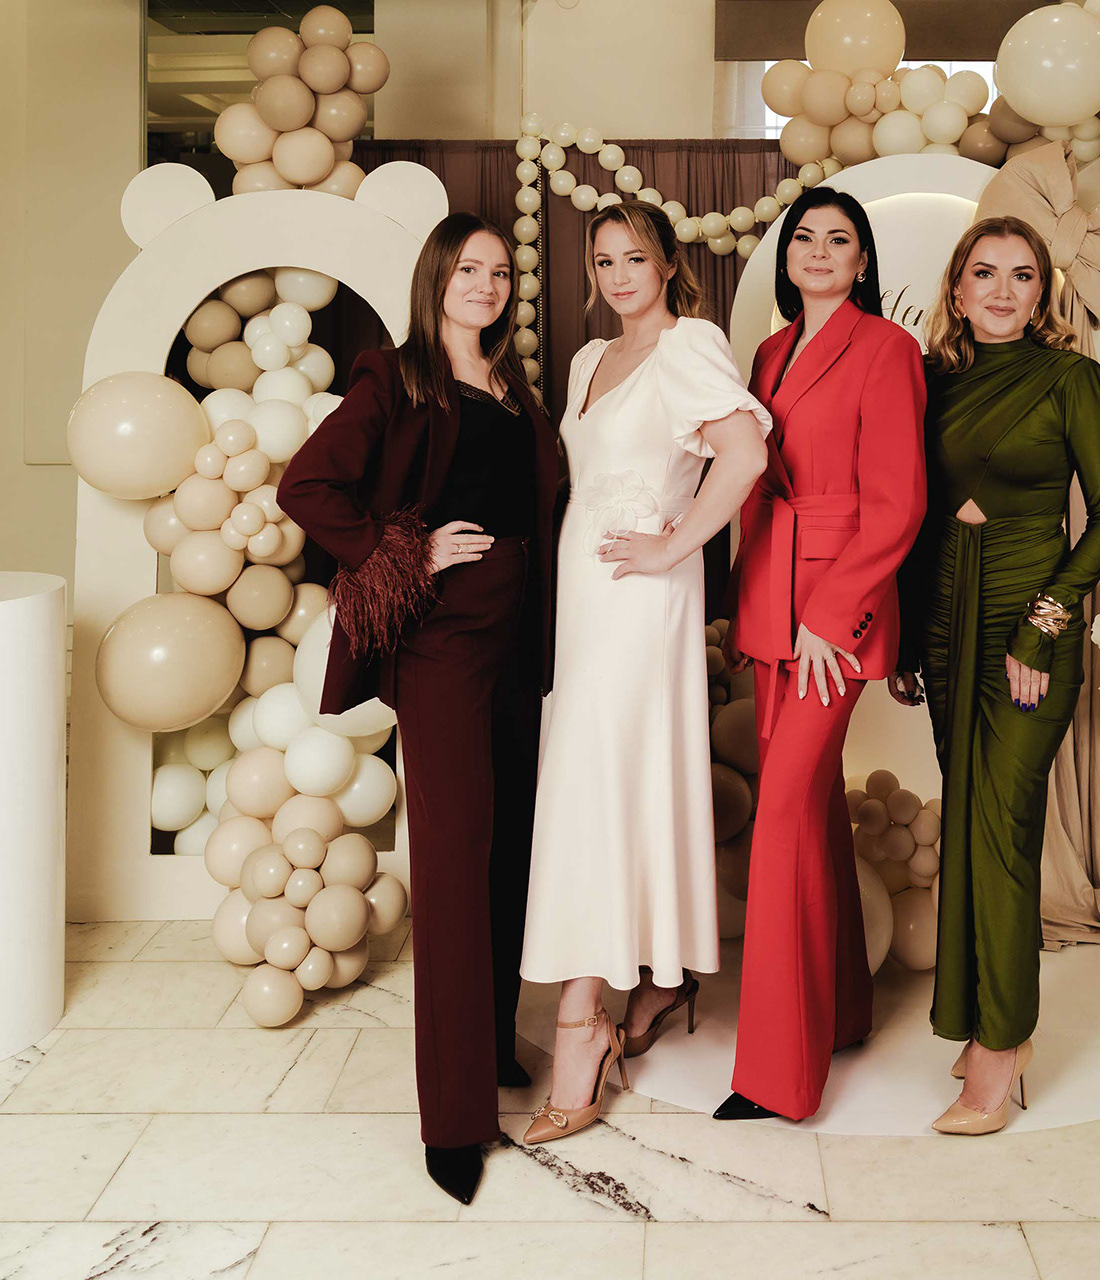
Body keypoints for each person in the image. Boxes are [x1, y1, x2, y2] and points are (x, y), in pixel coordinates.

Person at [277, 212, 567, 1205]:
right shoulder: (393, 377)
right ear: (435, 277)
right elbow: (307, 484)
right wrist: (406, 550)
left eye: (500, 273)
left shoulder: (512, 382)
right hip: (443, 644)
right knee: (450, 861)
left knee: (506, 846)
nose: (486, 285)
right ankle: (453, 1120)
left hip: (519, 639)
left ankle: (490, 1045)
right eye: (468, 269)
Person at [518, 203, 770, 1145]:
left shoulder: (688, 344)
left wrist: (674, 546)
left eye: (635, 257)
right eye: (604, 260)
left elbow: (746, 454)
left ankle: (582, 1021)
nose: (620, 274)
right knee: (600, 784)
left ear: (667, 263)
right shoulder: (589, 358)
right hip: (582, 602)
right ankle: (660, 980)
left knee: (597, 789)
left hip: (639, 601)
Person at [892, 215, 1100, 1135]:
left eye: (1021, 275)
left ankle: (1003, 1044)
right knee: (969, 821)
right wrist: (906, 639)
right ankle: (978, 1017)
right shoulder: (928, 381)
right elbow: (911, 513)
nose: (1001, 290)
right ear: (957, 290)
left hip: (1031, 621)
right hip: (945, 621)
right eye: (984, 273)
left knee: (1001, 828)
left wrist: (1043, 624)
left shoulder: (1071, 378)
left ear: (1042, 294)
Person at [718, 187, 926, 1123]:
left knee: (782, 820)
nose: (817, 251)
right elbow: (756, 486)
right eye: (804, 237)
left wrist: (832, 617)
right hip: (771, 600)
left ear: (862, 261)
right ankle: (842, 1010)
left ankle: (778, 1076)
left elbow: (898, 502)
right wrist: (746, 605)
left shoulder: (887, 348)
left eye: (838, 240)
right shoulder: (768, 353)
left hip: (832, 615)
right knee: (804, 809)